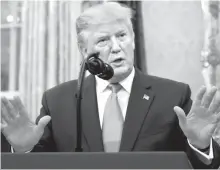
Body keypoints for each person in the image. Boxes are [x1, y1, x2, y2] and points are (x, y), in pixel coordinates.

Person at [1, 2, 220, 169]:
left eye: (122, 36)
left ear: (133, 39)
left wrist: (200, 145)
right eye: (103, 40)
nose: (116, 47)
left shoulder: (173, 95)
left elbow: (199, 166)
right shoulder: (58, 101)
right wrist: (24, 149)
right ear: (85, 51)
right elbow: (42, 164)